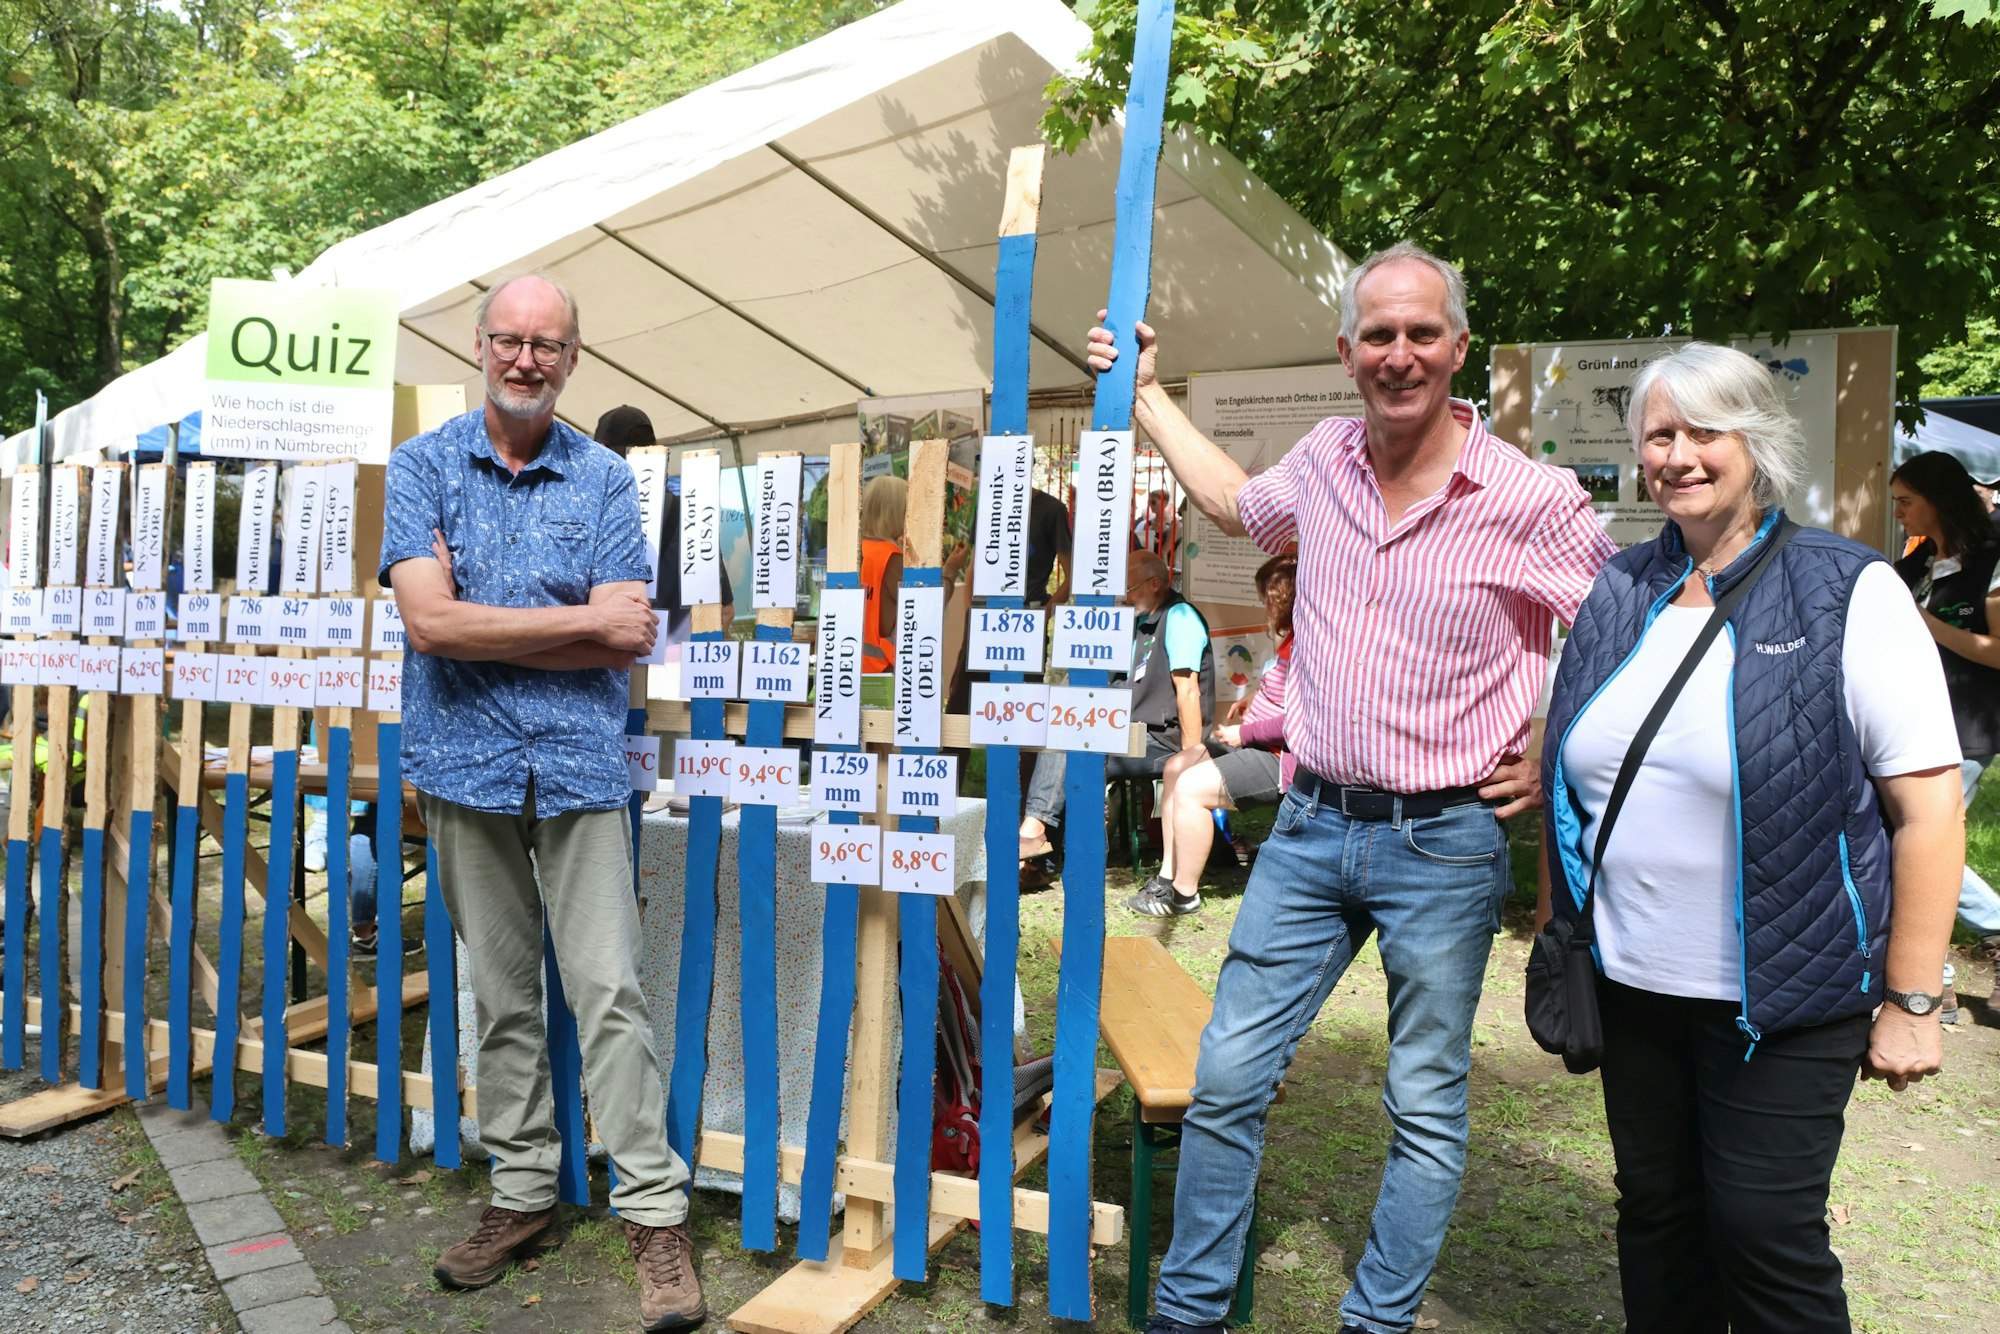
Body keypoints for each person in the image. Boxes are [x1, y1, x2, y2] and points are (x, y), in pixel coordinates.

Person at [1092, 240, 1602, 1334]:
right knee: (1227, 1075)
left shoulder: (1529, 495)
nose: (1399, 354)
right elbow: (1235, 503)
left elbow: (1622, 629)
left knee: (1423, 1104)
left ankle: (1376, 1321)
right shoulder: (1324, 458)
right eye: (1378, 334)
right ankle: (1188, 1313)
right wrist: (1144, 396)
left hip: (1446, 840)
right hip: (1311, 822)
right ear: (1346, 350)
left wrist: (1555, 740)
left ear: (1457, 347)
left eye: (1421, 332)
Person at [1541, 342, 1962, 1333]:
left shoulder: (1845, 589)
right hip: (1632, 985)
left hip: (1784, 995)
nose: (1677, 455)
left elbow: (1930, 808)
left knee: (1763, 1232)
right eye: (1659, 434)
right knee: (1656, 1217)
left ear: (1756, 440)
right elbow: (1573, 766)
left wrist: (1911, 1000)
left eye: (1704, 431)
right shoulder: (1618, 588)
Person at [381, 273, 705, 1334]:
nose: (526, 359)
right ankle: (522, 1192)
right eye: (509, 340)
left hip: (576, 766)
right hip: (464, 765)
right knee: (502, 994)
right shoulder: (421, 466)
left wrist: (479, 620)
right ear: (479, 345)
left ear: (573, 358)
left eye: (547, 344)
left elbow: (626, 636)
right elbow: (427, 626)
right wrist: (567, 624)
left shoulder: (606, 478)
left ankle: (653, 1214)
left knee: (609, 991)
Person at [1016, 549, 1212, 870]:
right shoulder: (1136, 621)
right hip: (1128, 727)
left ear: (1155, 584)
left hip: (1162, 738)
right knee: (1064, 723)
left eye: (1130, 589)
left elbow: (1188, 692)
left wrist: (1192, 762)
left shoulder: (1180, 618)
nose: (1124, 597)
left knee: (1074, 745)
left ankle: (1038, 838)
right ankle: (1040, 848)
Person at [1890, 450, 2000, 1019]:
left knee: (1923, 839)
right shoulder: (1920, 560)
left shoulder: (1992, 557)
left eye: (1906, 501)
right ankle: (1940, 977)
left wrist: (1925, 624)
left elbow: (1997, 652)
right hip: (1912, 718)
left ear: (1939, 499)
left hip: (1968, 722)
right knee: (1912, 836)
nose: (1899, 513)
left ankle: (1967, 952)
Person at [1132, 554, 1294, 917]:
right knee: (1176, 767)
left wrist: (1245, 733)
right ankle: (1168, 874)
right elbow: (1285, 691)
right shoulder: (1292, 641)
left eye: (1266, 599)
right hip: (1256, 741)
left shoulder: (1310, 647)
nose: (1263, 607)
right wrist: (1256, 698)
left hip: (1279, 755)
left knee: (1191, 788)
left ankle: (1184, 894)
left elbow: (1301, 721)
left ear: (1281, 599)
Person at [860, 475, 907, 675]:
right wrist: (950, 572)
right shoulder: (892, 559)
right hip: (883, 673)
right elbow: (927, 609)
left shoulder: (853, 552)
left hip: (846, 670)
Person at [1026, 486, 1072, 607]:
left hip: (1030, 608)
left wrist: (1044, 613)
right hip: (986, 609)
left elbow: (1072, 577)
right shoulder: (988, 504)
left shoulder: (1052, 509)